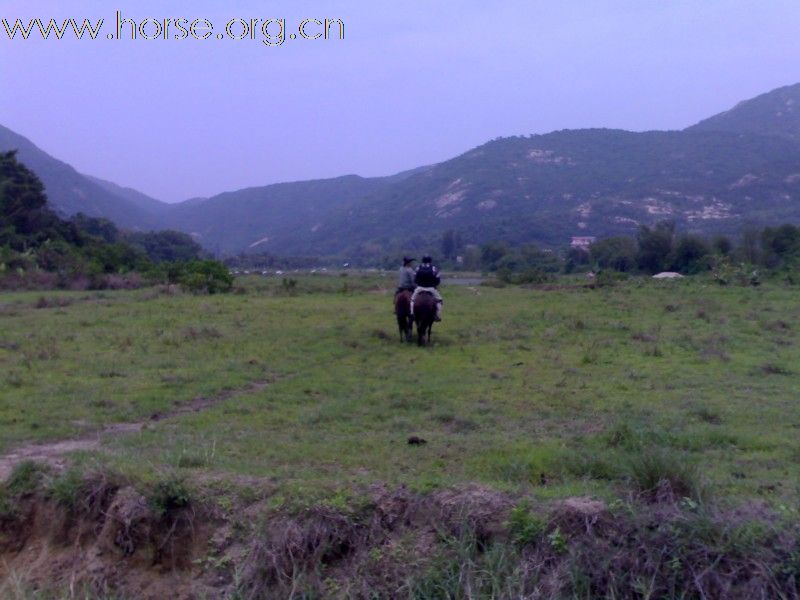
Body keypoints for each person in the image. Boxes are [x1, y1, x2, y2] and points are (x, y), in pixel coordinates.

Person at [411, 255, 443, 321]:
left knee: (412, 300)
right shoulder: (434, 268)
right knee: (440, 300)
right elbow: (437, 278)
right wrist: (435, 284)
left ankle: (412, 314)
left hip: (419, 288)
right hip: (431, 288)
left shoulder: (418, 267)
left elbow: (415, 278)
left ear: (422, 260)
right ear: (430, 260)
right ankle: (437, 315)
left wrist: (418, 284)